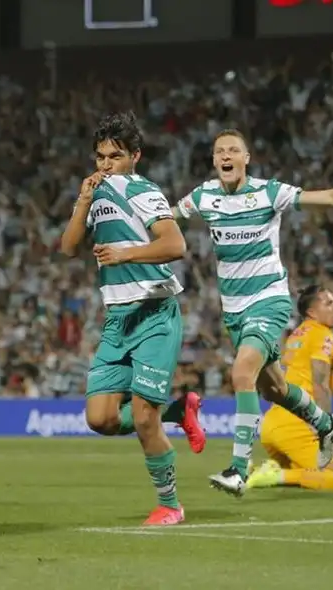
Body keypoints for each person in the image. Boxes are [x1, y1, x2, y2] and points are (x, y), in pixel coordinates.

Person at [172, 129, 333, 496]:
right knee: (276, 390)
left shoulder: (269, 192)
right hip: (234, 311)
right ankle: (325, 424)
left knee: (242, 372)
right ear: (214, 159)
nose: (226, 155)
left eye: (234, 150)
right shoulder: (204, 196)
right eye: (220, 150)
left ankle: (238, 470)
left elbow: (329, 198)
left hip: (268, 301)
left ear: (246, 158)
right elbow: (167, 217)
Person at [60, 111, 202, 526]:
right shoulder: (94, 195)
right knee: (100, 418)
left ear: (135, 156)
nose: (106, 164)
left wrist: (126, 253)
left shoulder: (143, 191)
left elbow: (175, 245)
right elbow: (69, 248)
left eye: (116, 156)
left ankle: (171, 505)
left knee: (142, 417)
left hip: (155, 314)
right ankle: (177, 412)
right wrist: (83, 200)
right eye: (101, 156)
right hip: (118, 319)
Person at [246, 286, 333, 493]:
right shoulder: (323, 335)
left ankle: (258, 471)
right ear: (312, 312)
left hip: (273, 424)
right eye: (329, 303)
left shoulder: (296, 334)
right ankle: (277, 474)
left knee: (307, 474)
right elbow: (320, 385)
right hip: (298, 424)